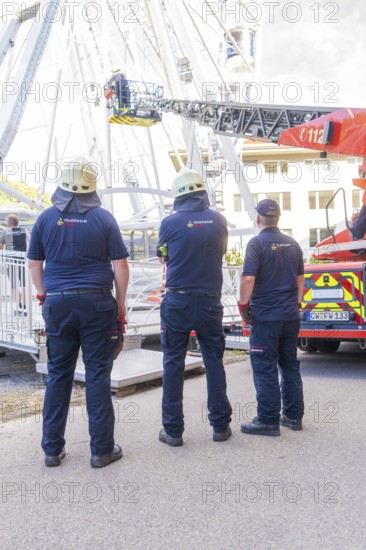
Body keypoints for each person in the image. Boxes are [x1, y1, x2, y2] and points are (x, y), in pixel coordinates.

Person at [27, 158, 129, 468]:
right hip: (97, 303)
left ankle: (52, 450)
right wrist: (121, 305)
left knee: (59, 374)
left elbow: (34, 264)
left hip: (58, 303)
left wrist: (45, 295)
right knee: (98, 374)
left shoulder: (45, 218)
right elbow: (120, 265)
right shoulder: (104, 218)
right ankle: (101, 451)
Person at [157, 168, 232, 446]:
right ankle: (220, 426)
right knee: (213, 361)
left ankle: (174, 431)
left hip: (177, 300)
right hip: (209, 300)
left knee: (173, 363)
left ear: (177, 194)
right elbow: (221, 252)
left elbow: (162, 256)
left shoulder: (169, 223)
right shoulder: (219, 220)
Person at [238, 199, 304, 436]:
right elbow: (299, 281)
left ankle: (267, 420)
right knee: (289, 364)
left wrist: (243, 307)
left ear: (257, 219)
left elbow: (247, 279)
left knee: (264, 367)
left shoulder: (256, 244)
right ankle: (293, 416)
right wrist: (294, 305)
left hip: (266, 317)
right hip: (289, 316)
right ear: (278, 219)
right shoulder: (293, 244)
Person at [0, 214, 29, 314]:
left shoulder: (5, 231)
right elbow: (28, 244)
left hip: (12, 262)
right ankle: (24, 307)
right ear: (17, 223)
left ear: (9, 223)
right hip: (24, 262)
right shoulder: (25, 231)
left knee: (14, 287)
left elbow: (0, 246)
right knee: (24, 285)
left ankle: (20, 307)